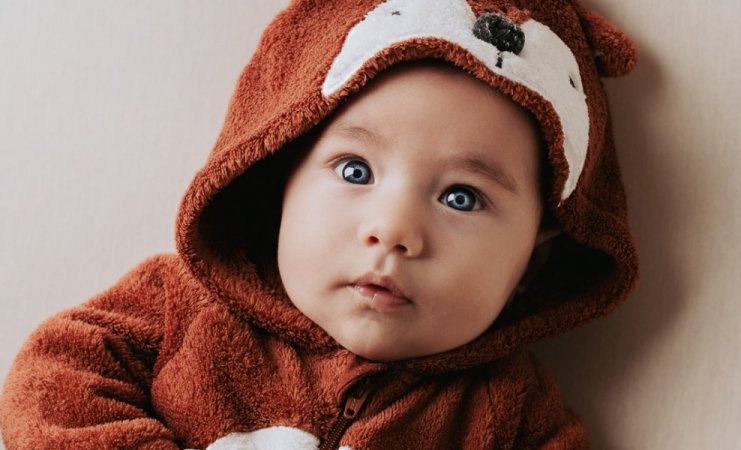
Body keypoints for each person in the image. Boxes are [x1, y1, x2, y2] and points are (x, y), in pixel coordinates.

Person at [0, 0, 640, 448]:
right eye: (356, 171)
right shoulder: (180, 308)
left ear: (533, 260)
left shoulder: (513, 414)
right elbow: (49, 385)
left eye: (462, 198)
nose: (392, 232)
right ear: (278, 182)